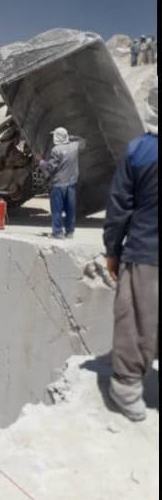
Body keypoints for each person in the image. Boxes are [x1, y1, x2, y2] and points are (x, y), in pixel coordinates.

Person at [103, 80, 158, 421]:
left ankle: (126, 390)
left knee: (136, 322)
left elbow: (120, 206)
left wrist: (112, 249)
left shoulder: (139, 150)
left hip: (145, 252)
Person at [35, 127, 85, 239]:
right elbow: (83, 141)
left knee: (57, 210)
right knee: (70, 209)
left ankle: (57, 233)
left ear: (57, 137)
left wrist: (40, 161)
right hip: (71, 183)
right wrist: (73, 137)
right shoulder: (74, 146)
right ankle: (70, 232)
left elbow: (50, 168)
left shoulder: (56, 150)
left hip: (58, 185)